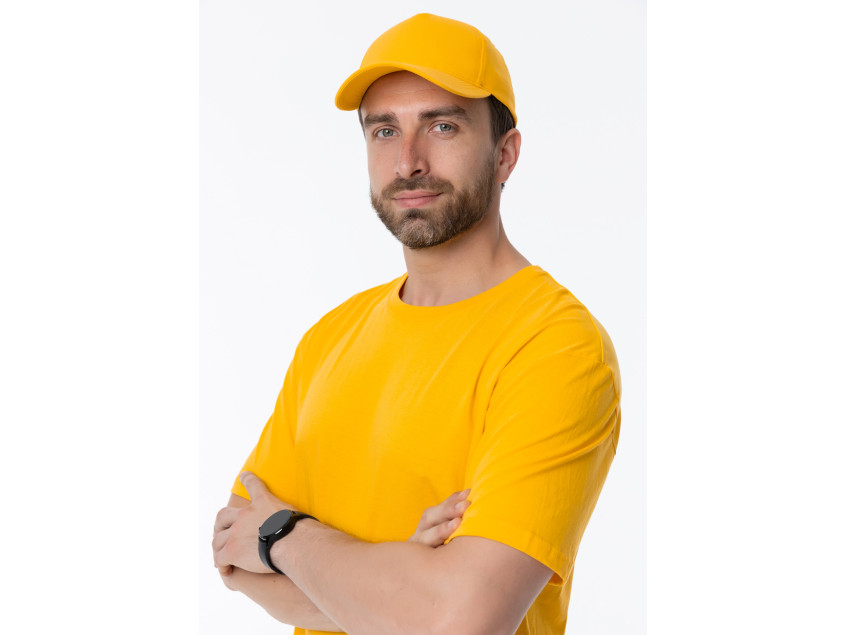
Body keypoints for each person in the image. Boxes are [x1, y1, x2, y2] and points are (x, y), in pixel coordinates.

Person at [212, 13, 621, 635]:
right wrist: (399, 583)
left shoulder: (556, 347)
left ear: (505, 154)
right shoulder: (330, 337)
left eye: (442, 125)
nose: (408, 161)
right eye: (384, 130)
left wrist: (285, 537)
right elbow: (232, 554)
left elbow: (460, 621)